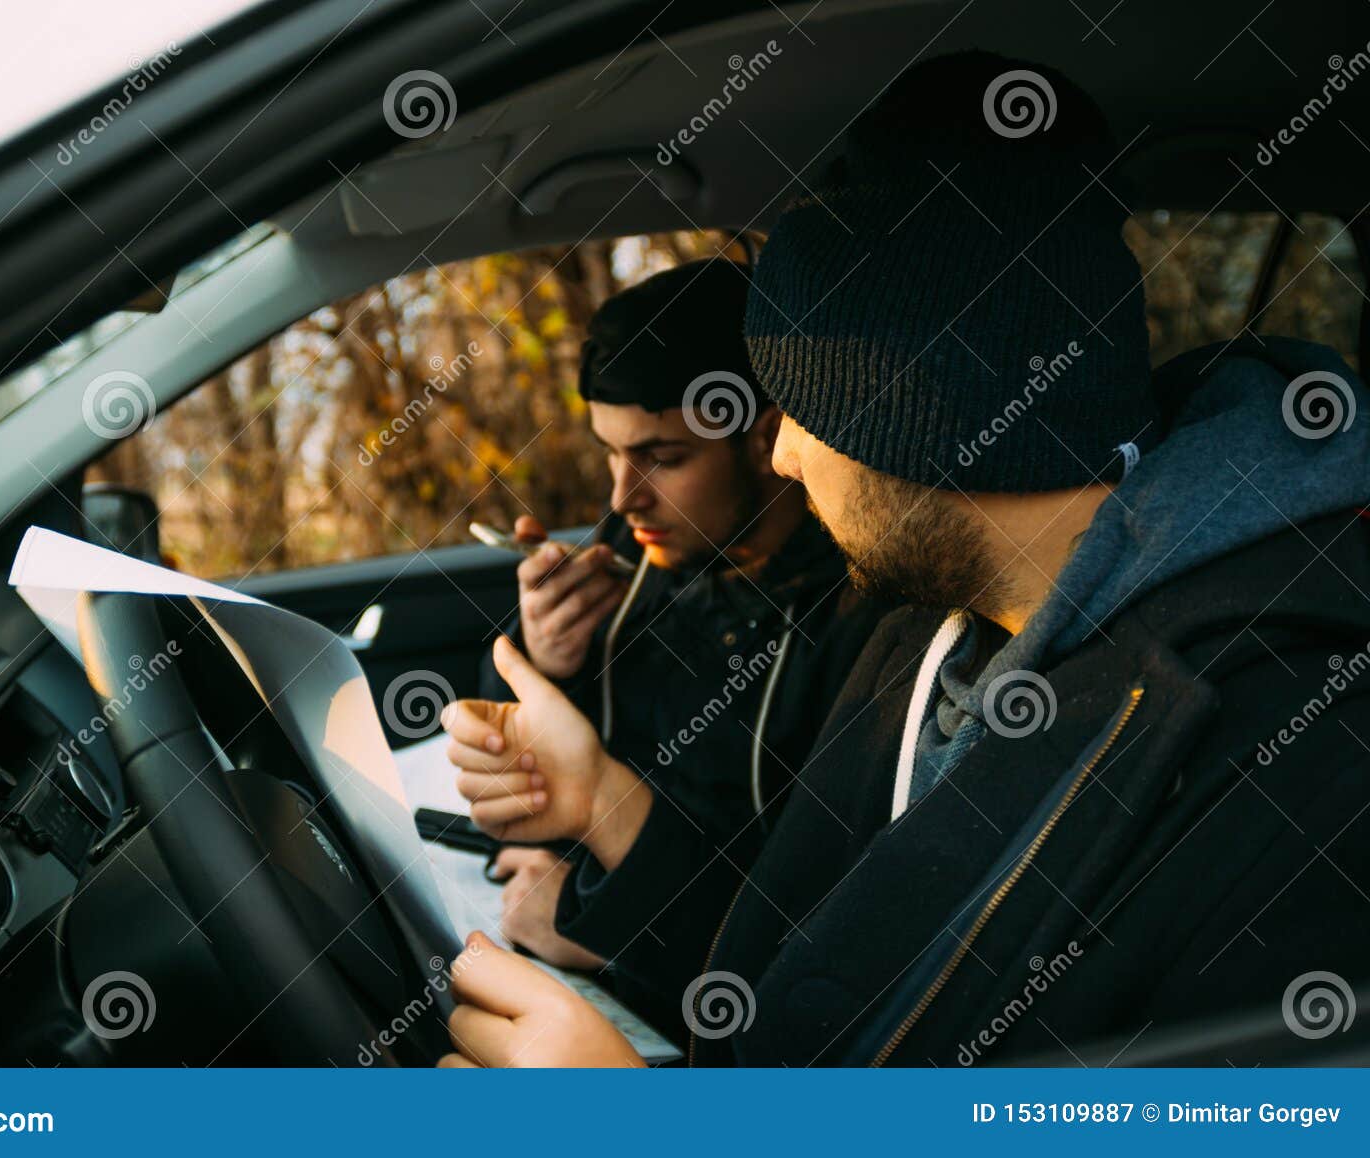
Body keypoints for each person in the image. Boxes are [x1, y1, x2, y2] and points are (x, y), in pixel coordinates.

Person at [436, 51, 1370, 1067]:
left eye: (804, 413)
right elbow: (788, 989)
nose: (781, 454)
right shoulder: (926, 636)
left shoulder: (1305, 751)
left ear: (935, 426)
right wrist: (596, 801)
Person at [474, 259, 889, 985]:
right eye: (611, 454)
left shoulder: (863, 624)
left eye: (661, 459)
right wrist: (543, 660)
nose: (623, 498)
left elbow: (803, 928)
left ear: (766, 439)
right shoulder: (628, 556)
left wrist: (600, 927)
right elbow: (524, 737)